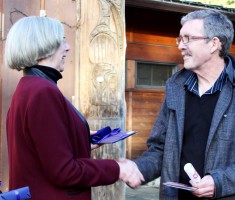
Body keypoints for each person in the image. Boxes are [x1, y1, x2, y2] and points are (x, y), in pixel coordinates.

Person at [134, 9, 235, 199]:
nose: (180, 46)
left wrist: (221, 182)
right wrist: (138, 169)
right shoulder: (176, 89)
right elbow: (161, 148)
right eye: (179, 39)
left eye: (188, 38)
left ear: (213, 44)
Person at [4, 16, 144, 200]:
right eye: (62, 41)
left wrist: (81, 140)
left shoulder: (28, 86)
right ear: (43, 45)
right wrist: (118, 168)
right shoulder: (42, 91)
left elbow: (41, 149)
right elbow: (64, 171)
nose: (67, 47)